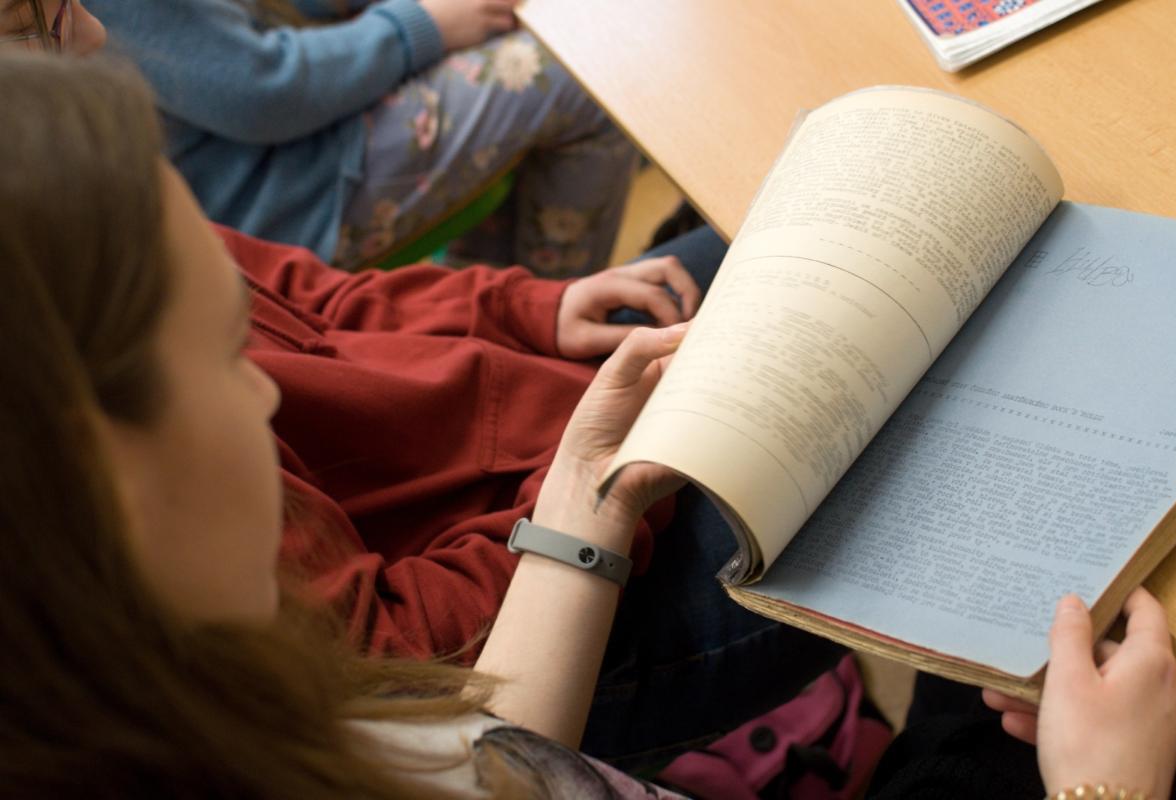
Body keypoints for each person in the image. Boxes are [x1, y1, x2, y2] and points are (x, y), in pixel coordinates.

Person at [0, 52, 1176, 800]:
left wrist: (583, 491)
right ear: (87, 473)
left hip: (546, 528)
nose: (260, 389)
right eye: (220, 355)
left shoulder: (221, 707)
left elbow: (490, 749)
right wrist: (1105, 792)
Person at [1, 8, 850, 769]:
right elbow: (420, 683)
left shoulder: (102, 242)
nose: (95, 32)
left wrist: (528, 310)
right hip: (549, 576)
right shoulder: (228, 578)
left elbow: (308, 295)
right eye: (28, 20)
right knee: (870, 454)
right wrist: (578, 490)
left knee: (808, 239)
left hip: (546, 486)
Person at [87, 0, 639, 274]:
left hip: (290, 133)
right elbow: (267, 92)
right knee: (585, 78)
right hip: (275, 199)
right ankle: (566, 335)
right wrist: (420, 23)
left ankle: (507, 313)